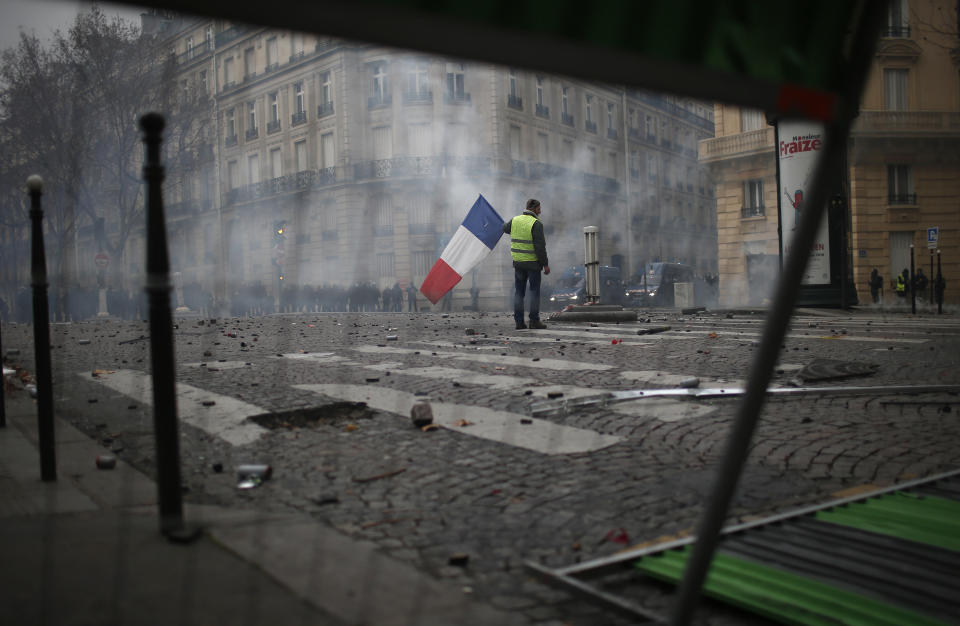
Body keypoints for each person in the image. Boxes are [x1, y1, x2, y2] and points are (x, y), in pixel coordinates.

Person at [503, 198, 550, 329]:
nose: (540, 211)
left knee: (519, 293)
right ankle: (534, 321)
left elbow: (504, 228)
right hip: (533, 264)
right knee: (534, 292)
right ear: (533, 209)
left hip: (518, 263)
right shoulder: (536, 223)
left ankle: (519, 322)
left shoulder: (515, 220)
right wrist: (545, 264)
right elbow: (540, 247)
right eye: (539, 208)